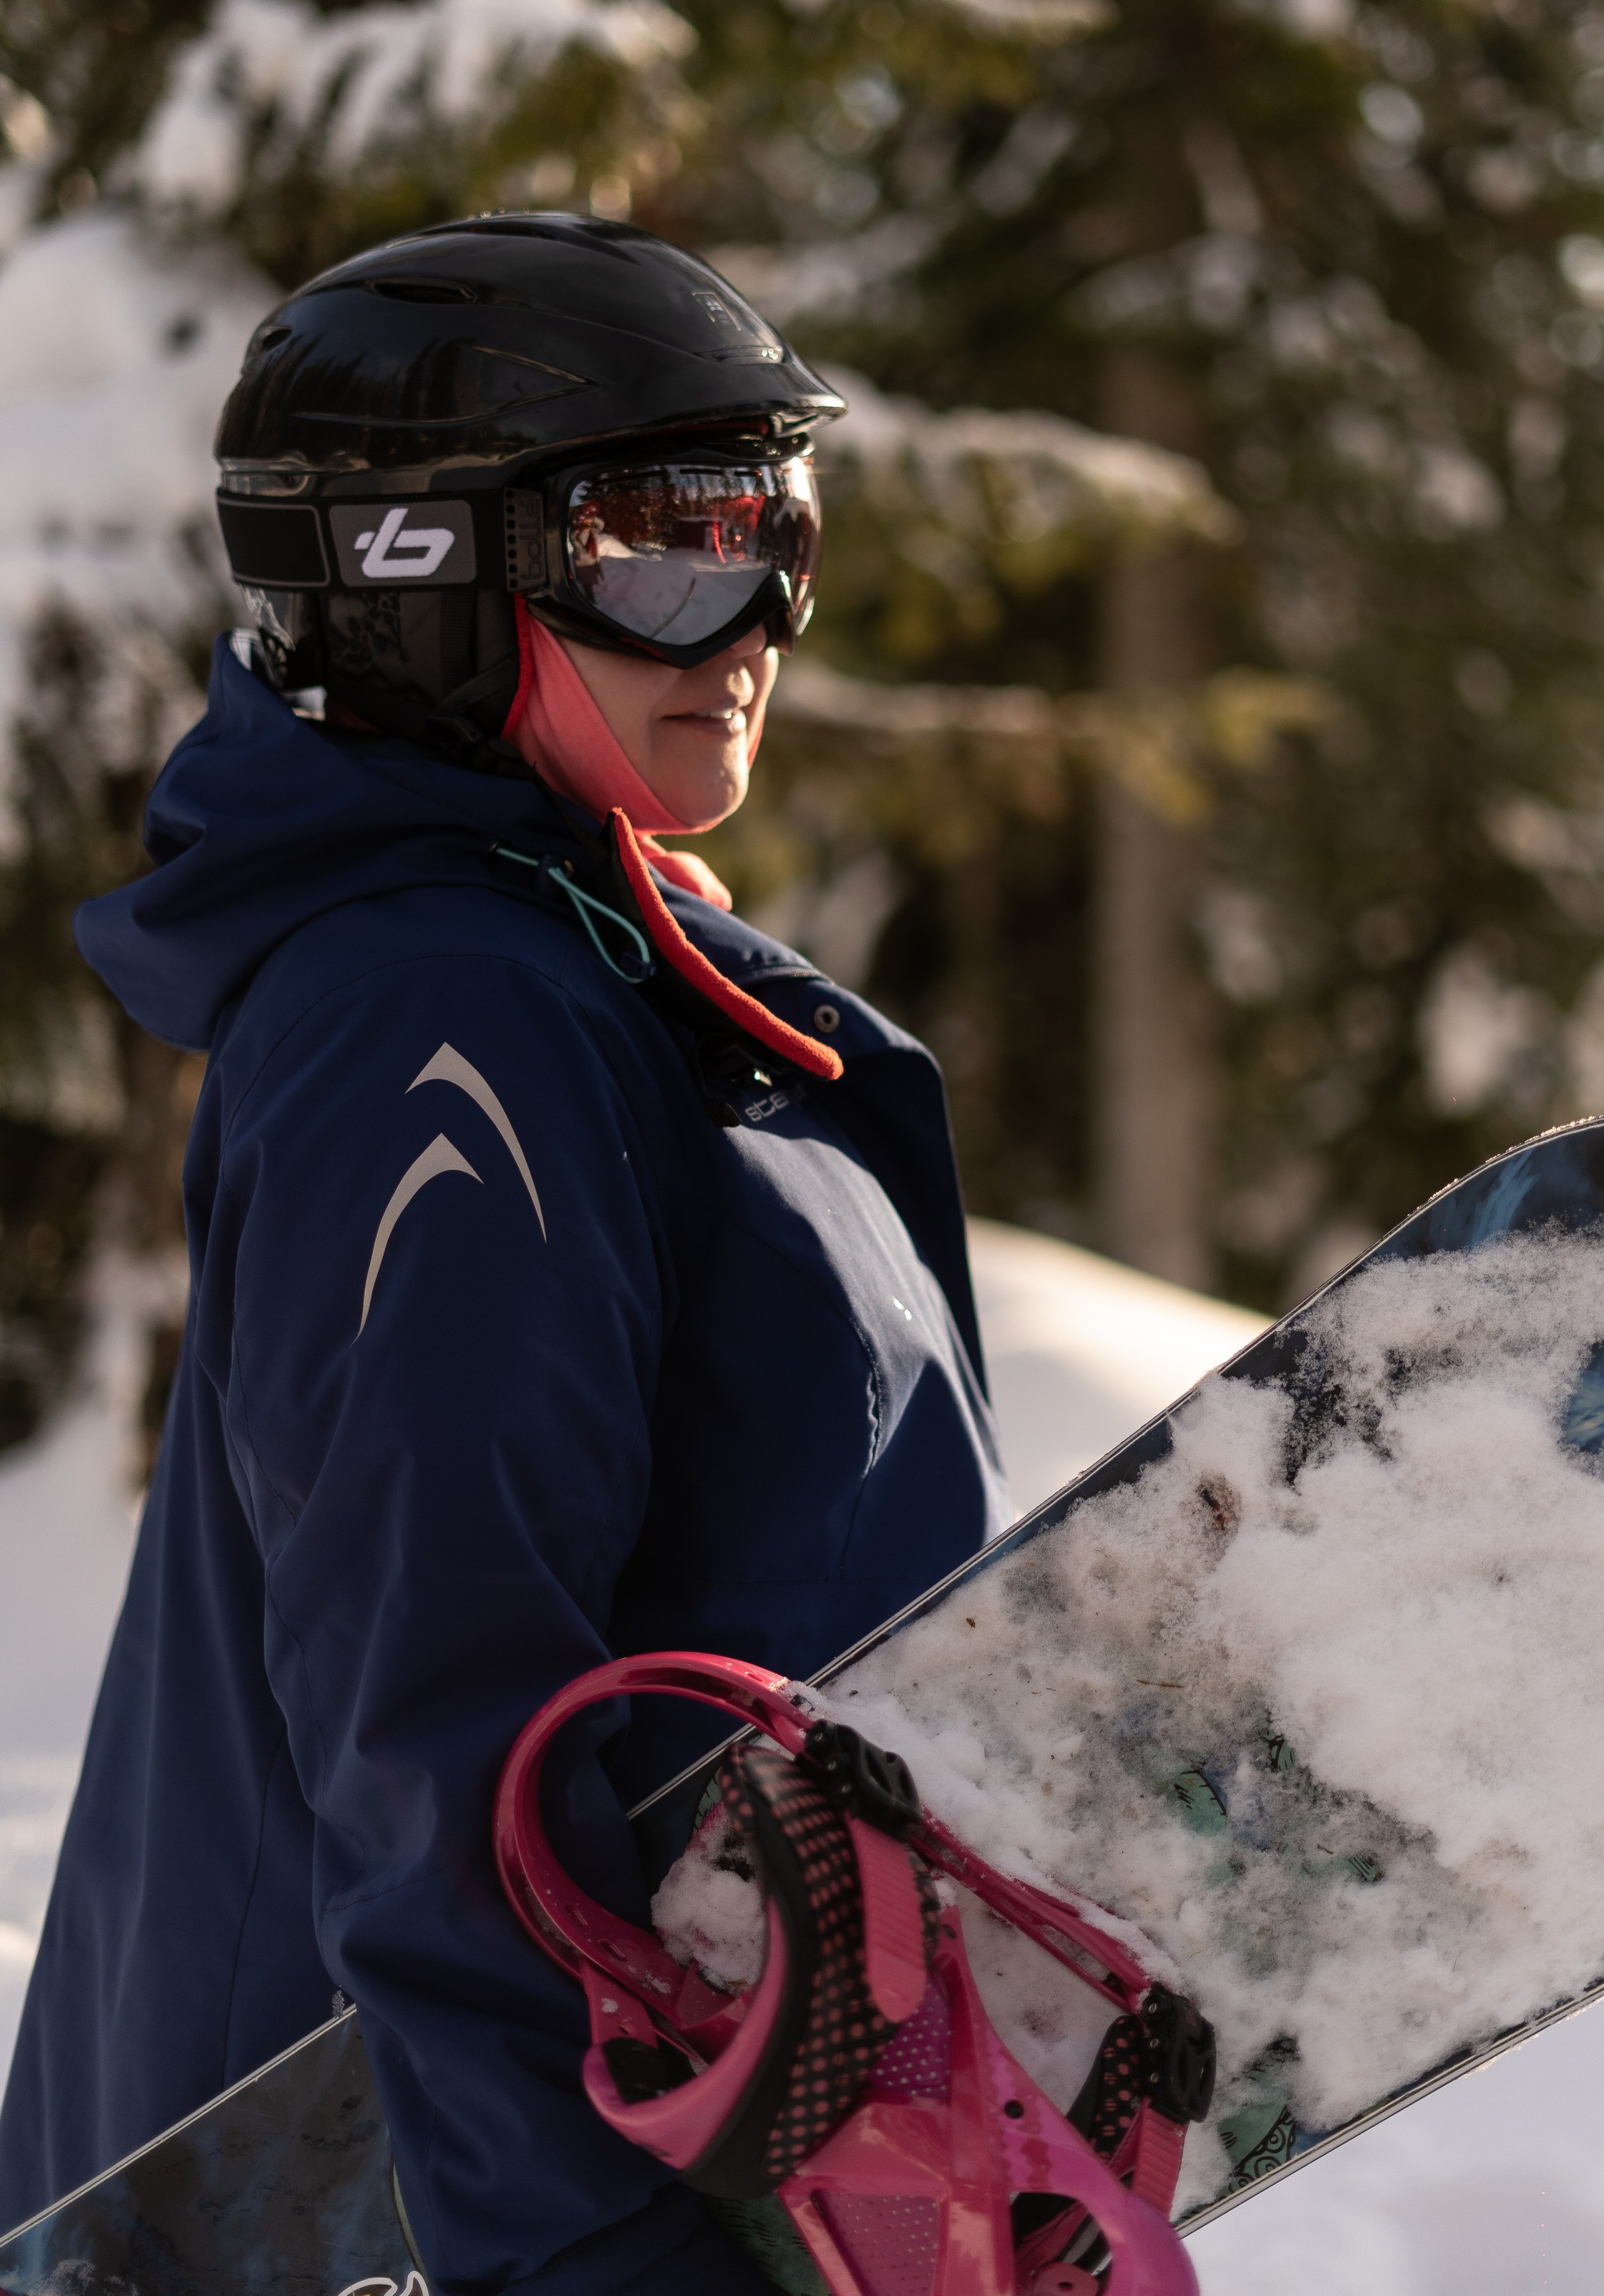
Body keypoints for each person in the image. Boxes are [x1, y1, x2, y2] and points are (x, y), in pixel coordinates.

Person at [0, 215, 1011, 2293]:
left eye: (781, 532)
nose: (755, 622)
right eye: (673, 548)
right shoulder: (431, 1022)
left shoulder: (586, 963)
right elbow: (440, 1708)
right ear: (418, 579)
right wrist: (580, 2261)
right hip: (399, 2207)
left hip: (643, 2134)